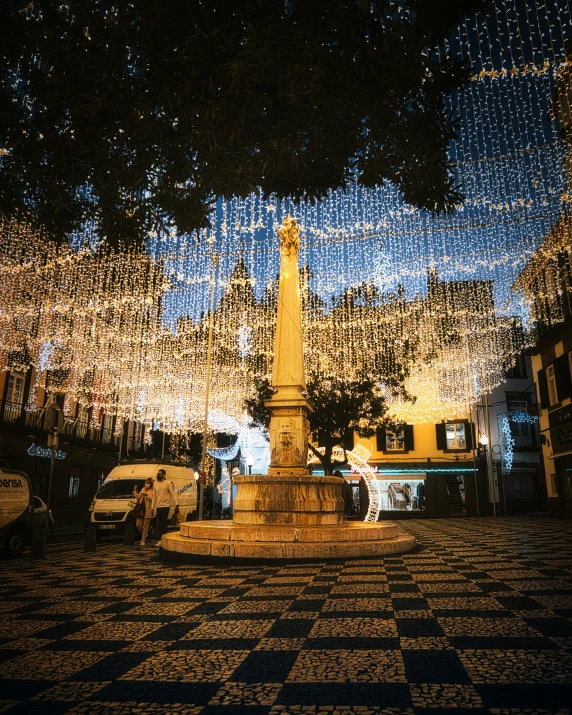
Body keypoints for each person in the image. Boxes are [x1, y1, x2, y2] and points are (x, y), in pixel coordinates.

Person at [151, 468, 176, 547]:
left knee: (164, 522)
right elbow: (154, 496)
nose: (158, 475)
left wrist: (176, 503)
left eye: (160, 474)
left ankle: (164, 539)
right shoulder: (155, 484)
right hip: (158, 506)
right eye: (157, 474)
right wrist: (153, 507)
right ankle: (160, 539)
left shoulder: (167, 483)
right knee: (160, 523)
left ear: (164, 475)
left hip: (166, 505)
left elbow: (172, 494)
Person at [134, 478, 154, 547]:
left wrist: (147, 496)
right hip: (141, 509)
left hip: (148, 509)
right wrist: (135, 491)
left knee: (145, 525)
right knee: (138, 525)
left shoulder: (153, 490)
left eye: (148, 483)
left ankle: (142, 540)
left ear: (151, 484)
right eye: (146, 482)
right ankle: (145, 534)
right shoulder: (143, 489)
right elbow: (138, 497)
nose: (146, 484)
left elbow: (154, 499)